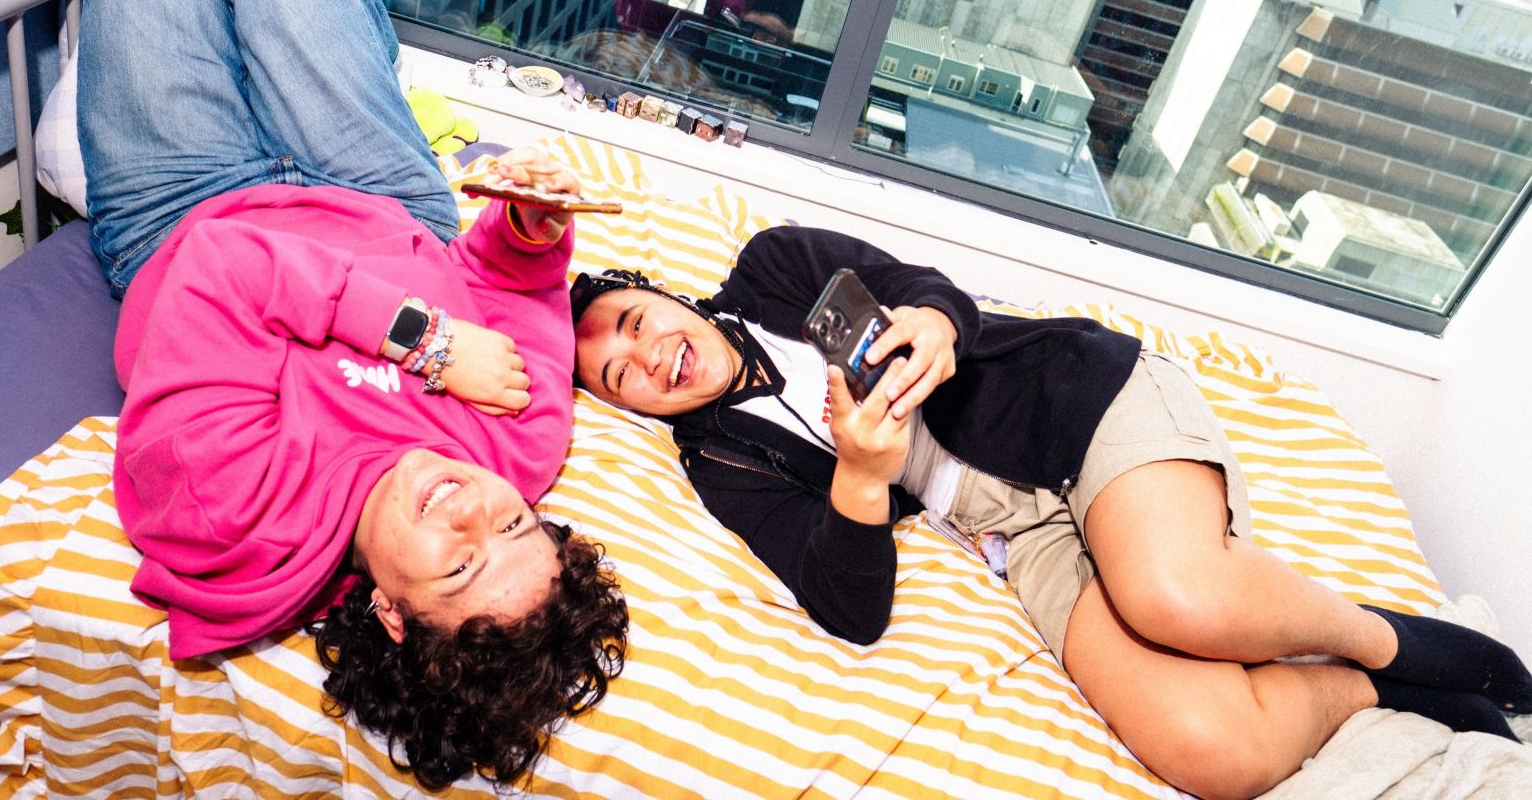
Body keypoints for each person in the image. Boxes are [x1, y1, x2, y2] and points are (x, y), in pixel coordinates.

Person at [570, 225, 1531, 800]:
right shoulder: (721, 460)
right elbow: (850, 607)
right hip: (1008, 530)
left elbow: (924, 291)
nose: (646, 355)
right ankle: (1377, 692)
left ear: (661, 294)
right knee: (1213, 752)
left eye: (634, 320)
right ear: (628, 408)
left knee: (1172, 596)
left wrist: (936, 331)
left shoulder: (774, 269)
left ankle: (1385, 638)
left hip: (1068, 404)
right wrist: (862, 475)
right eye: (618, 376)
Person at [78, 0, 628, 791]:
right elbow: (515, 287)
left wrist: (431, 344)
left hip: (189, 213)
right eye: (514, 522)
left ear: (393, 615)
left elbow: (228, 271)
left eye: (458, 563)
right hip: (377, 196)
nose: (471, 509)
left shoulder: (236, 513)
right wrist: (527, 230)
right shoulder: (517, 451)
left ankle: (215, 3)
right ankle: (241, 13)